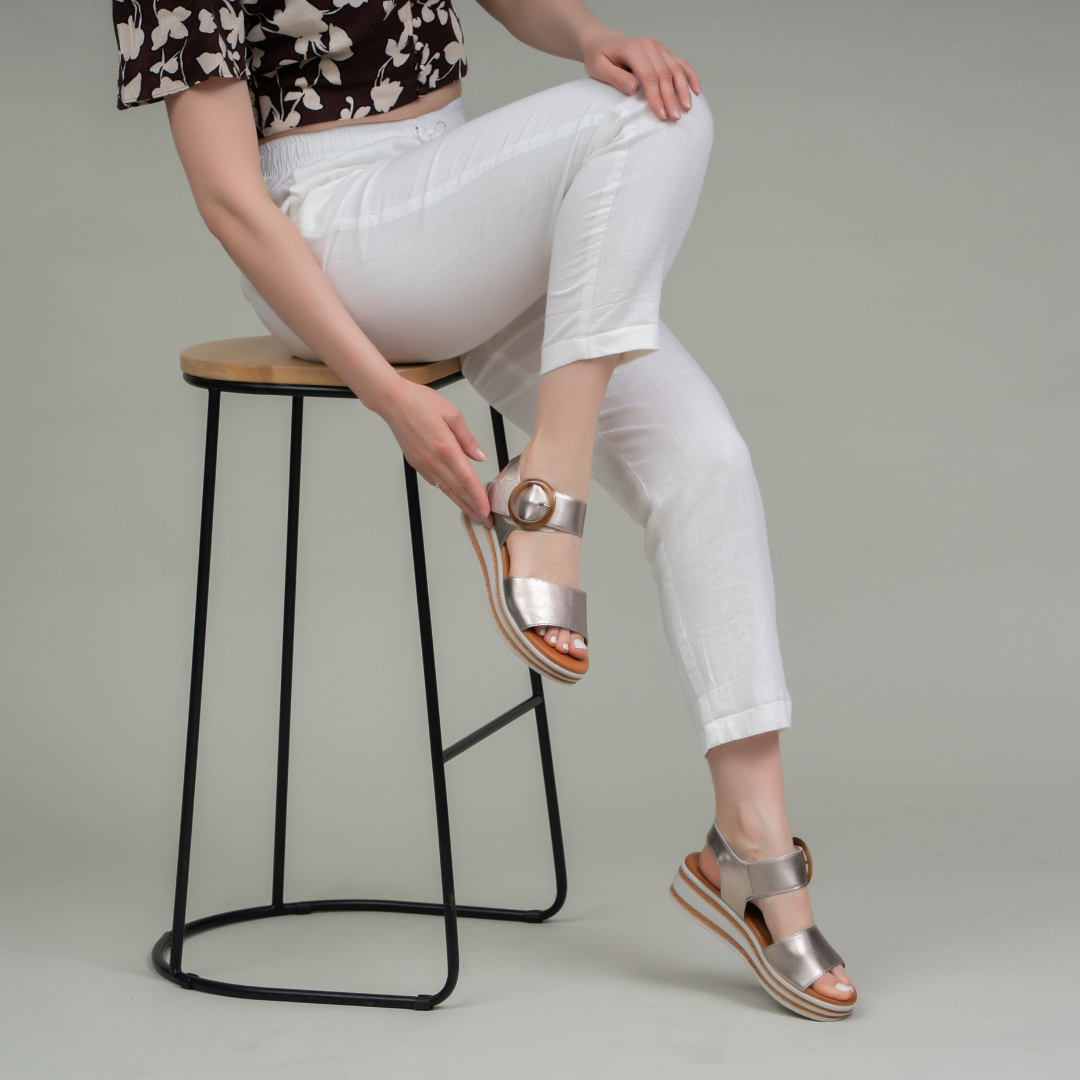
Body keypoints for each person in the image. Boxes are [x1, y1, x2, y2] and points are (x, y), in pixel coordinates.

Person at [114, 0, 855, 1019]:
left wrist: (589, 36)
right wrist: (387, 395)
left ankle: (750, 845)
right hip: (331, 232)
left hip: (456, 204)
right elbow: (230, 202)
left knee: (709, 461)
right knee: (637, 121)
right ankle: (546, 497)